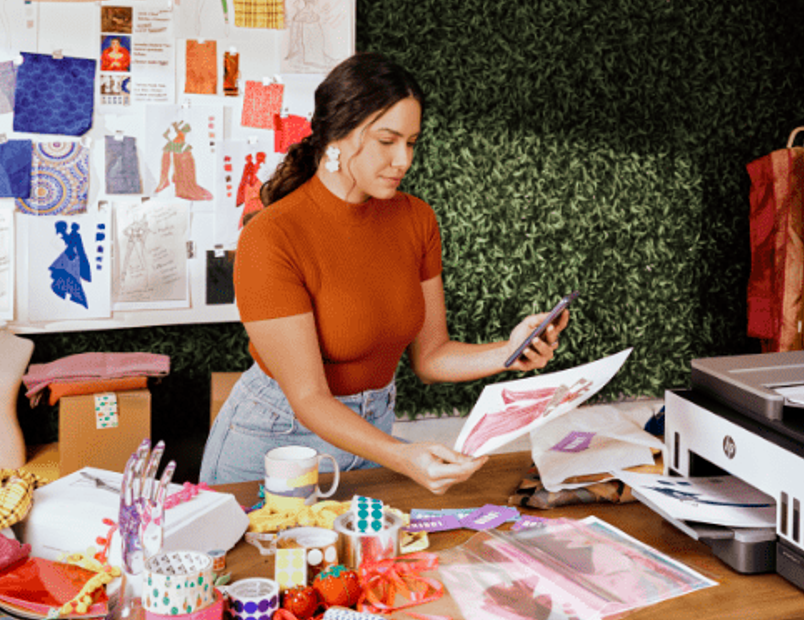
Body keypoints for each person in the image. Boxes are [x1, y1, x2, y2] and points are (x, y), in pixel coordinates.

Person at [200, 52, 570, 494]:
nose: (403, 160)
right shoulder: (271, 236)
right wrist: (401, 455)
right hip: (277, 443)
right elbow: (309, 398)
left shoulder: (415, 219)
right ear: (336, 136)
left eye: (411, 142)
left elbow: (431, 357)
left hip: (373, 434)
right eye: (387, 141)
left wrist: (509, 351)